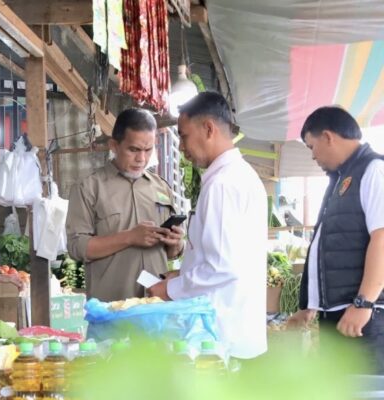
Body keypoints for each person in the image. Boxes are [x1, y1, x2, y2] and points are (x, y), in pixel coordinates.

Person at [147, 92, 268, 360]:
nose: (181, 147)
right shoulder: (240, 175)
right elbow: (226, 256)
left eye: (184, 136)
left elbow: (221, 265)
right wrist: (181, 274)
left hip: (223, 336)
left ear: (209, 129)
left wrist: (170, 290)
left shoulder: (223, 184)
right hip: (234, 329)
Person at [288, 106, 384, 372]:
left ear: (328, 136)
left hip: (365, 316)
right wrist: (311, 306)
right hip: (342, 314)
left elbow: (382, 238)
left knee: (368, 392)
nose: (313, 156)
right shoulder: (341, 179)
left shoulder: (374, 170)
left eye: (311, 146)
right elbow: (328, 247)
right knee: (342, 392)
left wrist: (364, 302)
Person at [66, 108, 185, 302]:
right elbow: (77, 247)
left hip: (157, 305)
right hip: (113, 308)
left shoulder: (161, 187)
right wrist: (129, 237)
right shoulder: (89, 188)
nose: (141, 159)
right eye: (134, 150)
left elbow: (172, 253)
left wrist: (176, 244)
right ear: (114, 145)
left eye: (148, 150)